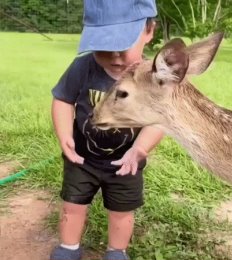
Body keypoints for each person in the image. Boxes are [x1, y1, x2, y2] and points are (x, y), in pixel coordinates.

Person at [50, 1, 164, 260]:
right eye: (102, 45)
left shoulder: (151, 78)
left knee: (121, 212)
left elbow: (158, 121)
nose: (114, 55)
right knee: (72, 205)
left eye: (122, 44)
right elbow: (63, 99)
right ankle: (68, 247)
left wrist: (140, 149)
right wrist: (65, 135)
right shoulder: (83, 66)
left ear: (149, 31)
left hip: (125, 163)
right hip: (81, 159)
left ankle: (116, 251)